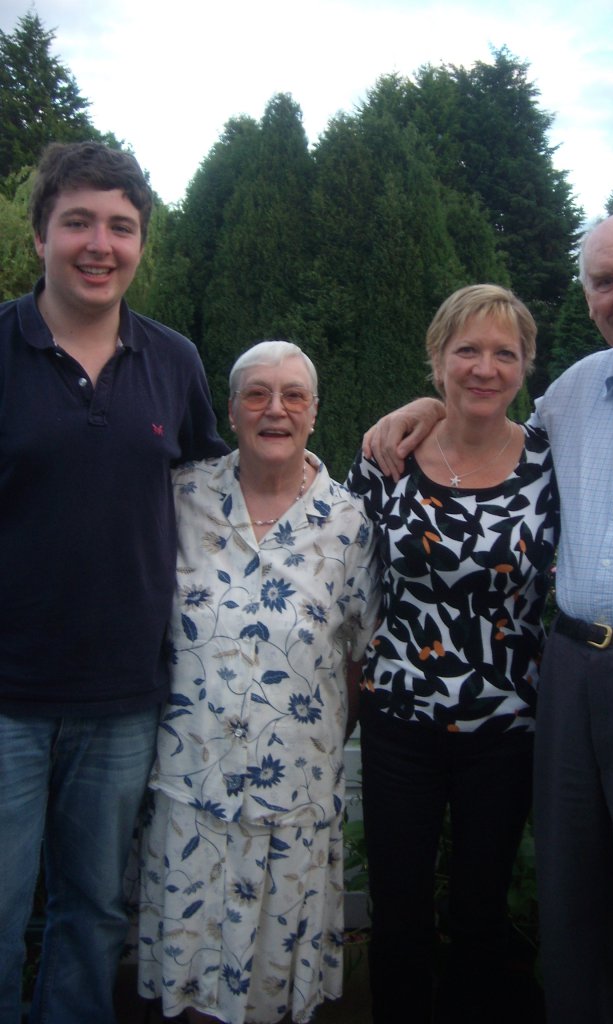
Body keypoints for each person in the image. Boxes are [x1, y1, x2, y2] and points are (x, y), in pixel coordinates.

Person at [364, 210, 613, 1023]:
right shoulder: (577, 394)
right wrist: (427, 407)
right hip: (574, 679)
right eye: (604, 281)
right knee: (573, 910)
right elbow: (484, 415)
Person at [0, 141, 227, 1024]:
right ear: (40, 237)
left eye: (121, 227)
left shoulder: (174, 360)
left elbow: (225, 491)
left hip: (124, 700)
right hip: (7, 698)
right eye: (79, 223)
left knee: (93, 913)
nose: (100, 244)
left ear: (140, 244)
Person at [136, 341, 380, 1024]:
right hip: (192, 791)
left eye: (293, 395)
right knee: (187, 992)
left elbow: (357, 659)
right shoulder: (181, 498)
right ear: (232, 409)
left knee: (274, 993)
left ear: (313, 413)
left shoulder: (349, 523)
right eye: (257, 394)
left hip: (292, 801)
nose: (276, 409)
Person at [348, 285, 558, 1024]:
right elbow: (349, 586)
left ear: (526, 366)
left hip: (505, 730)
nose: (484, 367)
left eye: (505, 352)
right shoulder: (387, 457)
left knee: (480, 913)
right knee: (398, 911)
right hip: (400, 719)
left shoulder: (549, 463)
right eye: (466, 349)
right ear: (436, 359)